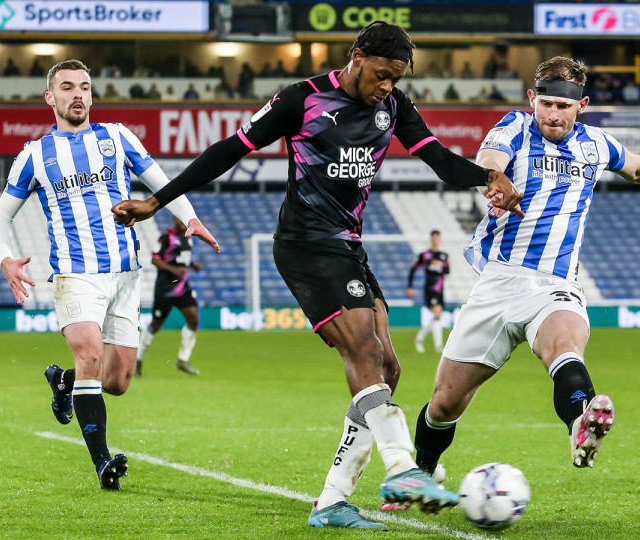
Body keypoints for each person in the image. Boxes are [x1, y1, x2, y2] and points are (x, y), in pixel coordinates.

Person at [111, 21, 524, 529]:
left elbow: (438, 160)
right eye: (381, 74)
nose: (387, 87)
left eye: (395, 79)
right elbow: (228, 151)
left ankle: (331, 500)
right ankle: (401, 468)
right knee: (365, 353)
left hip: (348, 246)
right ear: (356, 55)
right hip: (305, 245)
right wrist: (158, 201)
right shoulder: (301, 99)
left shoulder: (393, 108)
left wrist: (489, 177)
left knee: (388, 370)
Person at [410, 56, 640, 488]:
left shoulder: (595, 145)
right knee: (445, 403)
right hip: (499, 280)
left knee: (564, 345)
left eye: (563, 107)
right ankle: (420, 473)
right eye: (546, 103)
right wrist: (495, 178)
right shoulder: (514, 127)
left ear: (580, 105)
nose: (552, 114)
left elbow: (636, 166)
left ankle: (581, 422)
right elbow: (490, 155)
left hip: (554, 284)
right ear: (532, 98)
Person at [0, 59, 218, 491]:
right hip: (76, 275)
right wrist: (6, 258)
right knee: (91, 354)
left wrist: (189, 218)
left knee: (116, 380)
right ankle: (102, 464)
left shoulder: (117, 137)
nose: (78, 95)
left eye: (85, 87)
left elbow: (161, 183)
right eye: (68, 88)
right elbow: (1, 219)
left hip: (126, 276)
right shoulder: (34, 155)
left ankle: (64, 380)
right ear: (50, 98)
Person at [136, 216, 203, 377]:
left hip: (183, 288)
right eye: (179, 221)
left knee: (193, 320)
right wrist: (174, 270)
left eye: (184, 221)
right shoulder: (166, 238)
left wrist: (193, 265)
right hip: (165, 289)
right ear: (173, 220)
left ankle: (183, 360)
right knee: (155, 325)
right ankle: (137, 358)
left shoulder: (189, 238)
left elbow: (183, 258)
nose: (182, 223)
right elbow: (155, 260)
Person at [407, 230, 450, 354]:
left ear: (440, 240)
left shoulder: (444, 255)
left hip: (440, 289)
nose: (435, 240)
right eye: (434, 238)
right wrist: (410, 287)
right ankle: (438, 346)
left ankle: (419, 338)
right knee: (437, 313)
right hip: (430, 288)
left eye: (437, 238)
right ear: (431, 240)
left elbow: (447, 271)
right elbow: (413, 270)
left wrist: (441, 265)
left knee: (438, 316)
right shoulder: (425, 255)